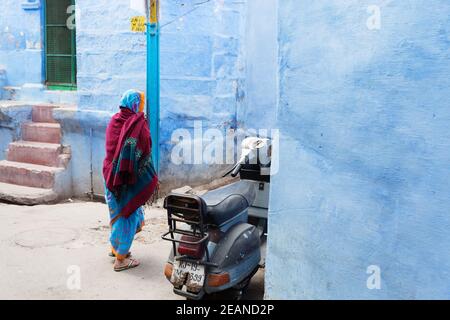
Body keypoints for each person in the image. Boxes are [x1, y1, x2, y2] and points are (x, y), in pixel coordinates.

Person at [102, 89, 158, 272]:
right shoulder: (137, 124)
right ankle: (121, 260)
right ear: (135, 105)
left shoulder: (114, 120)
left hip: (110, 176)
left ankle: (115, 248)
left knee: (117, 214)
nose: (142, 107)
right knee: (126, 215)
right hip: (126, 179)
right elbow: (144, 148)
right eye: (140, 103)